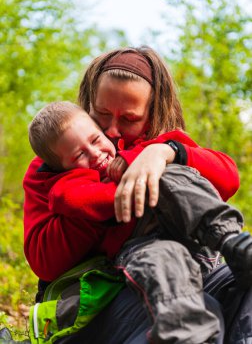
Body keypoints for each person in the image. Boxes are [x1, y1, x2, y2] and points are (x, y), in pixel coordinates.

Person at [22, 47, 252, 343]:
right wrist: (117, 193)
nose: (114, 131)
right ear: (88, 106)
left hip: (197, 270)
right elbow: (45, 261)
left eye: (129, 119)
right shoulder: (58, 168)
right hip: (117, 291)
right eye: (102, 115)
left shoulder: (161, 144)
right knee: (192, 303)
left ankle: (232, 245)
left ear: (153, 112)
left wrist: (163, 153)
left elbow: (227, 176)